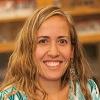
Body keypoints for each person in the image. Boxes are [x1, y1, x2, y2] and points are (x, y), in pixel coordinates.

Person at [0, 5, 100, 100]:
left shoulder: (88, 90)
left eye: (62, 41)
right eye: (43, 41)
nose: (54, 52)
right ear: (28, 49)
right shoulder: (9, 97)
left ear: (72, 51)